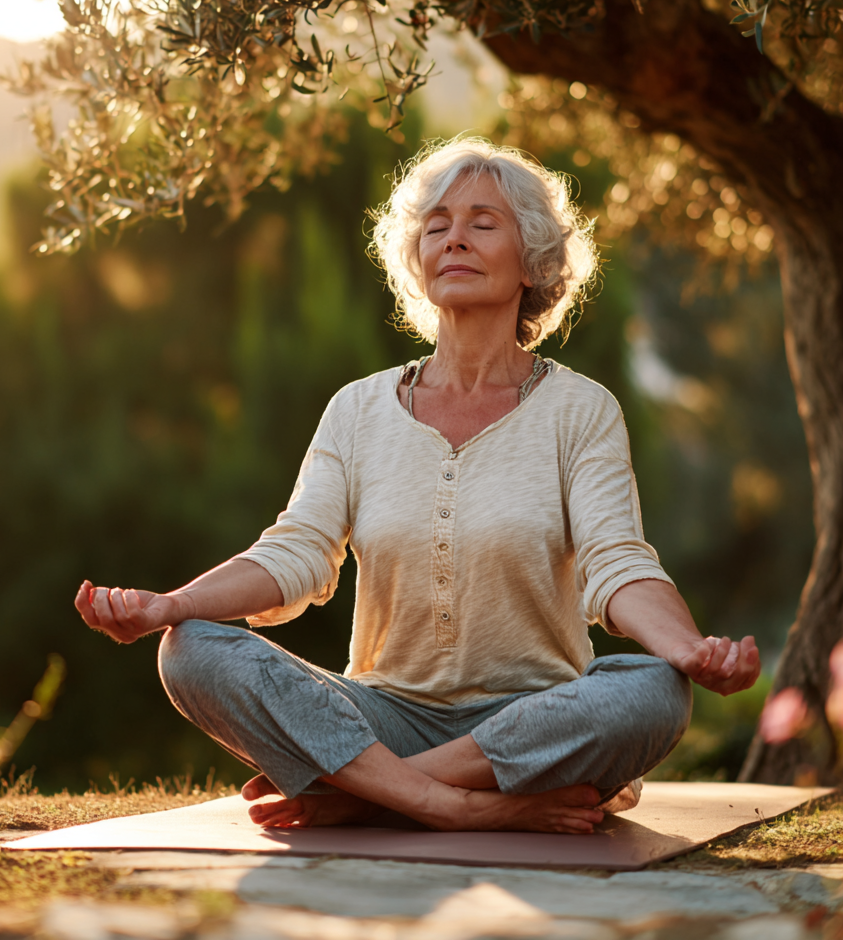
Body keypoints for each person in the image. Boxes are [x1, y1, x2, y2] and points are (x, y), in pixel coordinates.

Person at [74, 137, 762, 835]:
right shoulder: (358, 409)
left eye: (481, 223)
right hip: (380, 717)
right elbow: (297, 553)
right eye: (436, 226)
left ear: (533, 259)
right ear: (418, 259)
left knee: (652, 694)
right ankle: (455, 804)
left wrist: (685, 650)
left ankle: (363, 793)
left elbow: (616, 563)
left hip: (531, 725)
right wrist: (171, 604)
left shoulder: (581, 411)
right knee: (191, 649)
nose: (453, 238)